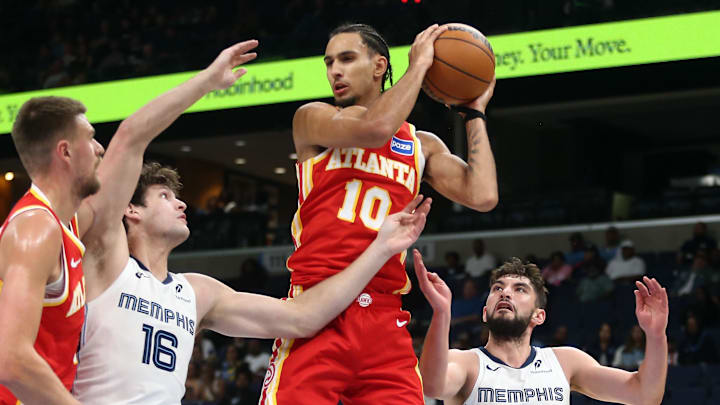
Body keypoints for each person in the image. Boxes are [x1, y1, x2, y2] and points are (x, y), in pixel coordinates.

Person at [69, 40, 433, 403]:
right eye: (164, 196)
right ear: (130, 210)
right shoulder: (105, 262)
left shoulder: (196, 293)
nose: (181, 203)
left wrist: (381, 246)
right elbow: (131, 137)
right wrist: (206, 82)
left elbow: (304, 318)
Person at [264, 22, 498, 404]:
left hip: (384, 315)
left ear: (378, 66)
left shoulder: (419, 144)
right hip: (316, 307)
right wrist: (418, 67)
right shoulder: (314, 119)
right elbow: (374, 128)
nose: (334, 70)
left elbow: (483, 194)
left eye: (347, 58)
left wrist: (474, 113)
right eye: (329, 62)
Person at [415, 251, 668, 405]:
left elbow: (645, 396)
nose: (505, 293)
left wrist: (656, 335)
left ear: (539, 315)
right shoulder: (466, 363)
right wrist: (441, 313)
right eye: (497, 288)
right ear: (485, 312)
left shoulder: (565, 362)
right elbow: (433, 386)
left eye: (520, 289)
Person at [0, 96, 104, 404]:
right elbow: (10, 360)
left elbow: (132, 144)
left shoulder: (66, 221)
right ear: (66, 151)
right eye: (91, 137)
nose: (100, 148)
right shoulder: (35, 228)